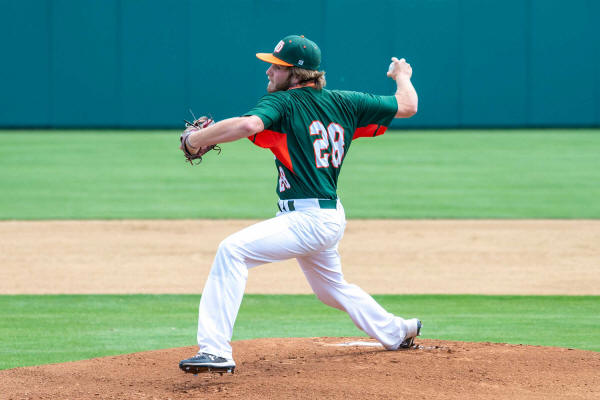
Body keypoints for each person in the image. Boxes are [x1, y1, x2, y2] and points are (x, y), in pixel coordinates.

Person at [179, 34, 420, 375]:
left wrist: (195, 139)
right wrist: (402, 76)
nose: (269, 72)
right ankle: (397, 330)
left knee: (232, 251)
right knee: (330, 289)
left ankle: (215, 350)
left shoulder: (283, 103)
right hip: (328, 214)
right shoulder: (346, 102)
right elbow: (407, 106)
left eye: (277, 67)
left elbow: (249, 124)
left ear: (295, 74)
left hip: (307, 220)